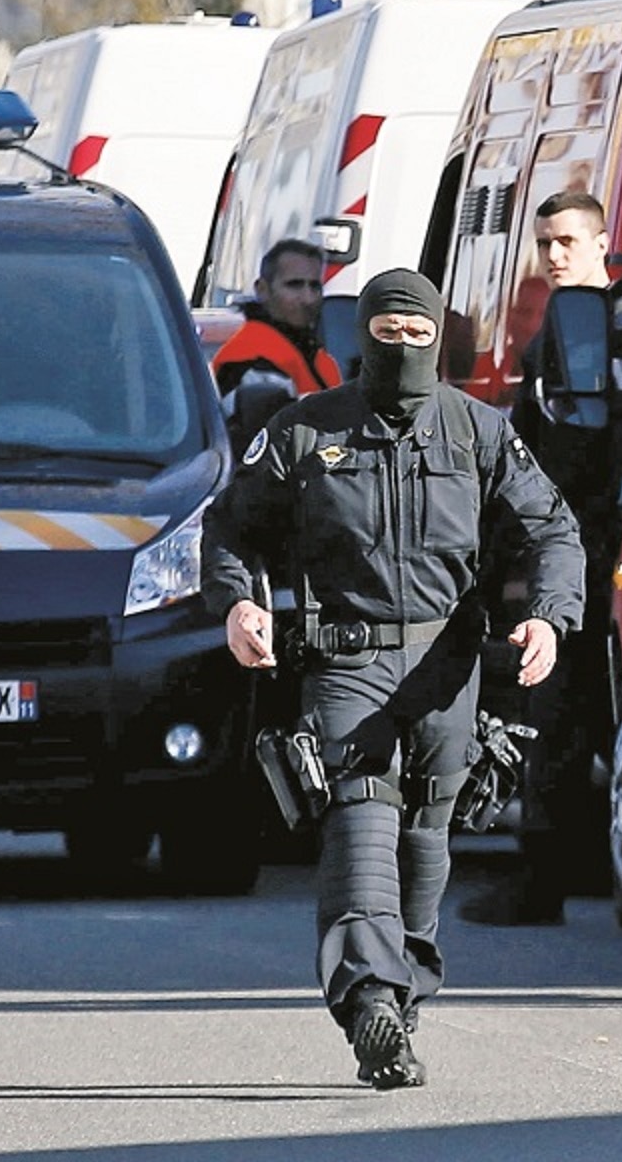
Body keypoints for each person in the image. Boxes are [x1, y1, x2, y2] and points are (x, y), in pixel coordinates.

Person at [203, 267, 585, 1089]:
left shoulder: (478, 433)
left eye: (419, 336)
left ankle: (401, 998)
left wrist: (549, 616)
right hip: (348, 664)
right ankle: (370, 996)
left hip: (449, 672)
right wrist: (240, 606)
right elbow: (232, 528)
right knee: (362, 827)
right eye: (388, 333)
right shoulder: (305, 432)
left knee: (425, 845)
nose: (404, 348)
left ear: (438, 338)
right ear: (361, 336)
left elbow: (554, 529)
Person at [461, 190, 622, 926]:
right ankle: (552, 869)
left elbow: (616, 437)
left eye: (568, 241)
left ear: (604, 240)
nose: (554, 256)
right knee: (559, 706)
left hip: (605, 544)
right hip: (566, 542)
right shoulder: (562, 326)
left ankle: (547, 875)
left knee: (564, 706)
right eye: (545, 243)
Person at [211, 237, 342, 455]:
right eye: (294, 285)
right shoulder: (249, 354)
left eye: (315, 286)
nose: (308, 298)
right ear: (262, 289)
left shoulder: (315, 354)